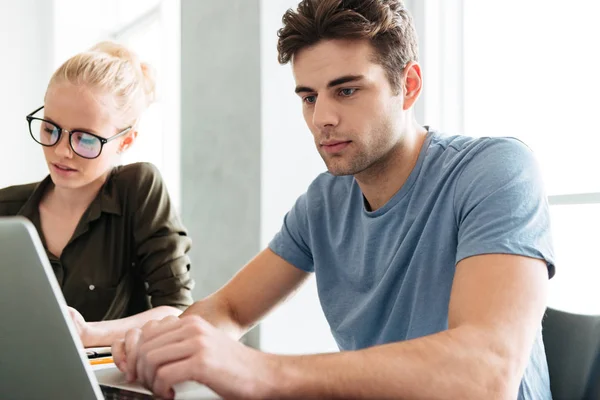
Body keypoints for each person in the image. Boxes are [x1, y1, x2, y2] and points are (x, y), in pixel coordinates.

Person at [113, 1, 555, 399]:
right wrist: (161, 344)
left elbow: (486, 372)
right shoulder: (324, 202)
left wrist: (261, 371)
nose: (321, 118)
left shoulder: (495, 170)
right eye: (309, 96)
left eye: (346, 90)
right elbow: (229, 308)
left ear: (410, 84)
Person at [0, 41, 194, 347]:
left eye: (86, 140)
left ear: (126, 142)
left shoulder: (137, 189)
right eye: (50, 130)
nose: (61, 152)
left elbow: (176, 310)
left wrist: (88, 334)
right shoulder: (6, 209)